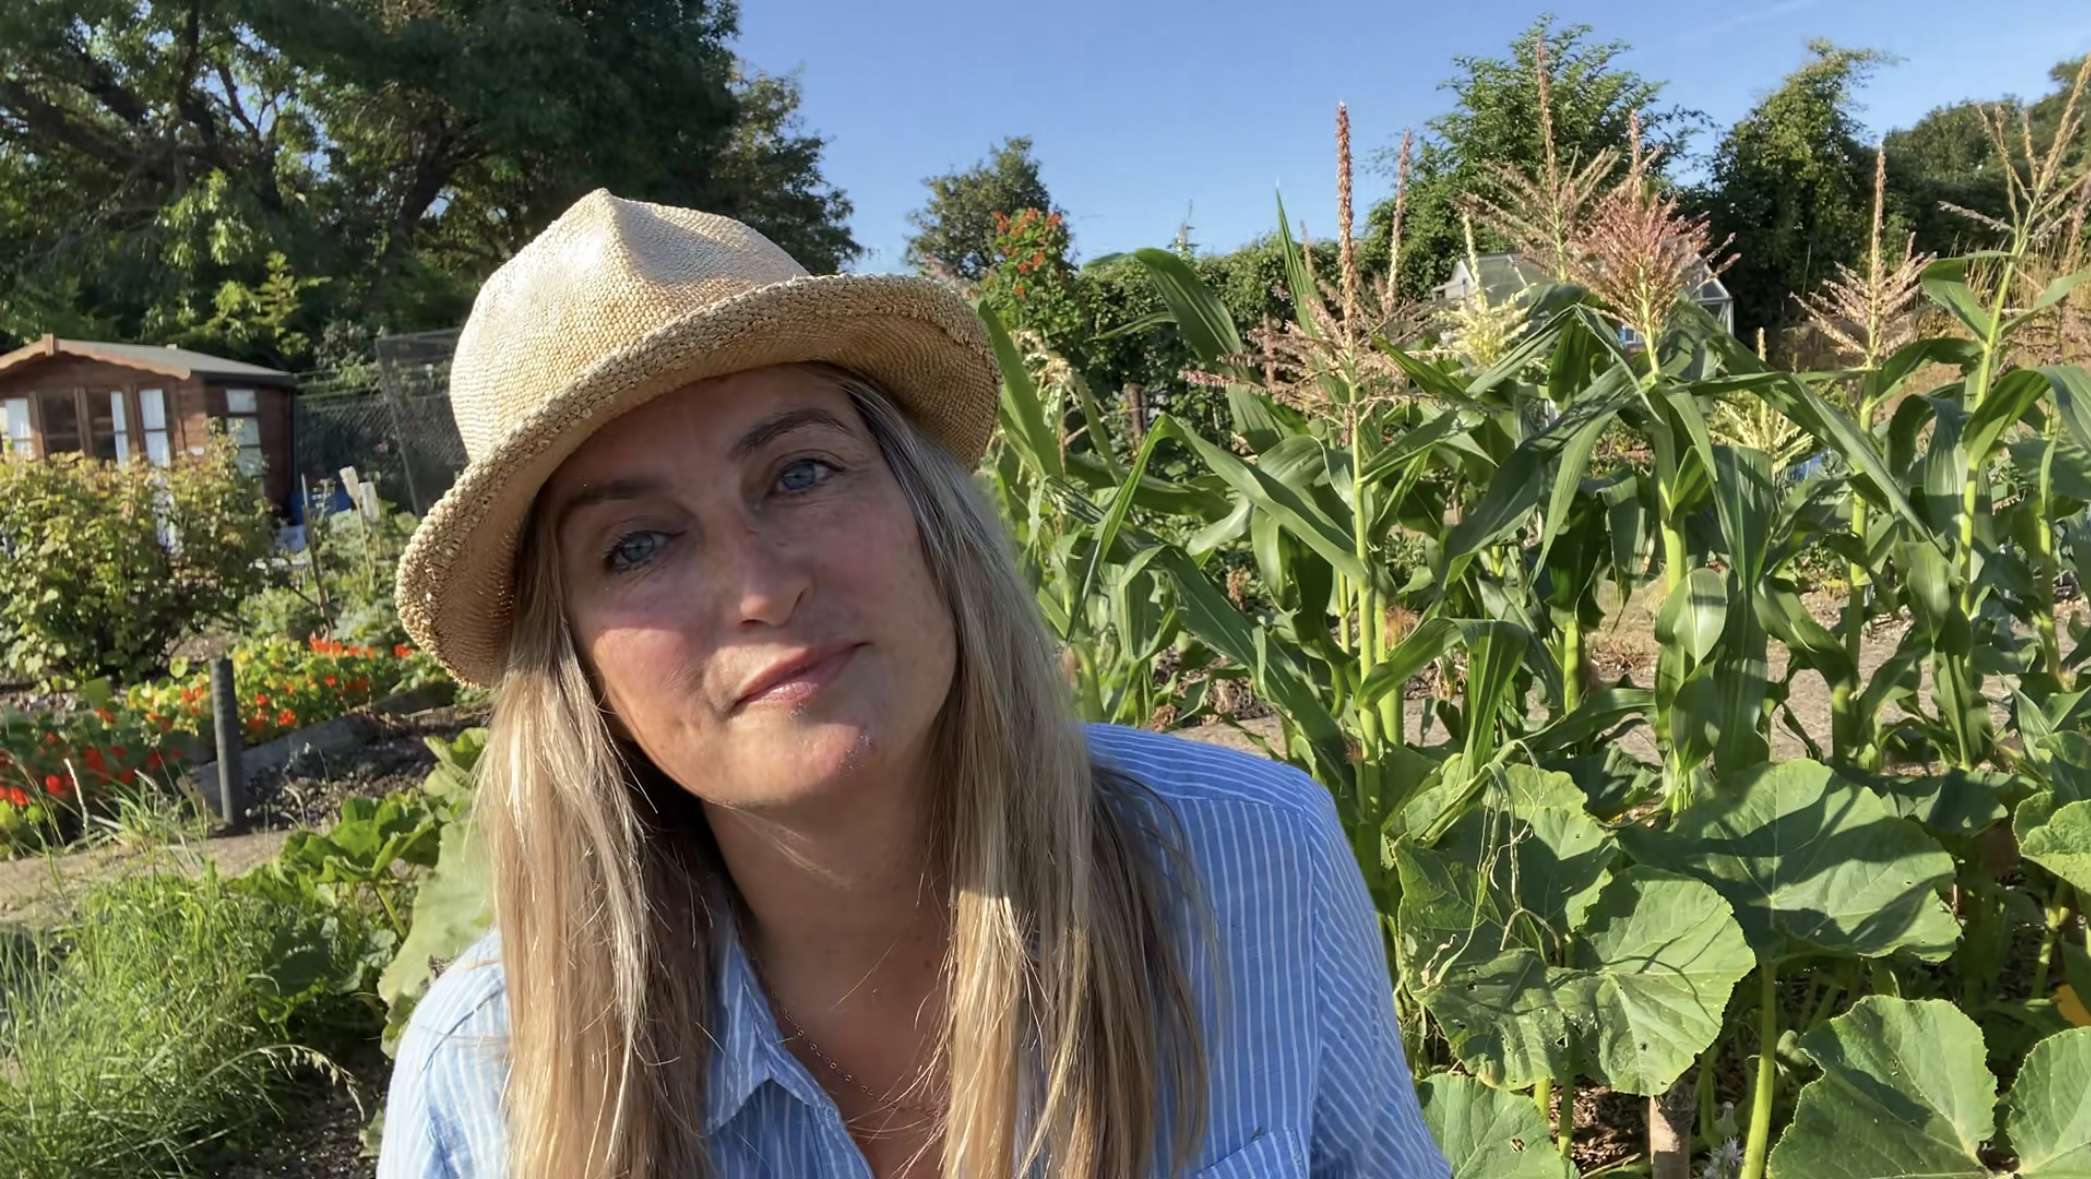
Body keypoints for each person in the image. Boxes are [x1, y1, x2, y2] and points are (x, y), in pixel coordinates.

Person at [378, 190, 1449, 1179]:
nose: (759, 588)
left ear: (928, 514)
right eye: (636, 545)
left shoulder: (1252, 869)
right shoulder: (485, 1074)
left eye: (799, 473)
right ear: (573, 666)